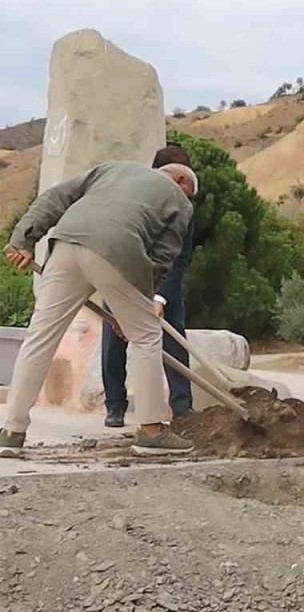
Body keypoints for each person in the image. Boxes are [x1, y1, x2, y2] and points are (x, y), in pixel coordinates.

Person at [0, 160, 196, 457]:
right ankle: (153, 431)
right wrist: (139, 307)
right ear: (181, 179)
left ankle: (12, 431)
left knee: (39, 338)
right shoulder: (179, 200)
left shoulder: (113, 169)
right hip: (118, 251)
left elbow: (54, 198)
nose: (188, 198)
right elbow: (162, 256)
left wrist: (23, 240)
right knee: (146, 337)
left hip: (66, 244)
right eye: (190, 191)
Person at [101, 144, 196, 428]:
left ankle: (182, 407)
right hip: (123, 275)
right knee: (114, 338)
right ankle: (115, 406)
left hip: (165, 281)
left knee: (175, 340)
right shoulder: (132, 196)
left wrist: (161, 298)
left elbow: (181, 257)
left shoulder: (185, 207)